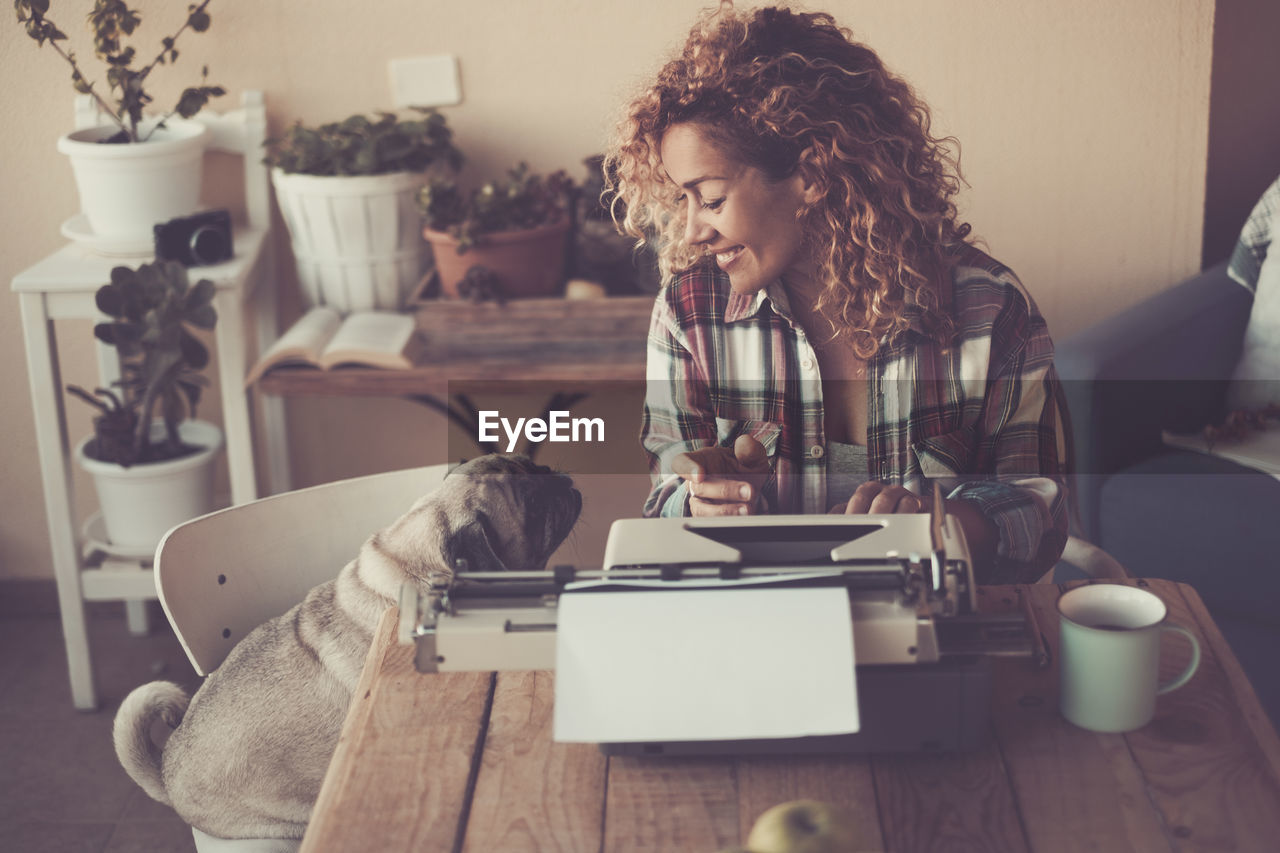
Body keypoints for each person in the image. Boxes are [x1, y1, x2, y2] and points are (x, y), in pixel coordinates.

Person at [604, 3, 1070, 583]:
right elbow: (661, 508)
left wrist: (943, 522)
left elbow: (1043, 514)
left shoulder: (989, 308)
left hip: (934, 630)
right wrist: (700, 503)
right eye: (684, 200)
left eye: (713, 197)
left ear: (811, 176)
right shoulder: (687, 314)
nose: (693, 230)